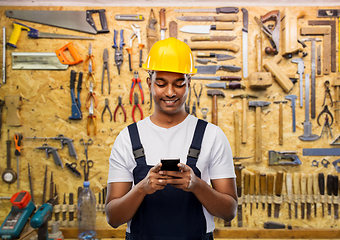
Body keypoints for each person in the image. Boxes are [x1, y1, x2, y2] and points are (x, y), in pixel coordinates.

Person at [105, 37, 237, 240]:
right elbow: (113, 218)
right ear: (149, 83)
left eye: (178, 84)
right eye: (161, 83)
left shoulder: (212, 136)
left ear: (189, 83)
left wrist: (197, 185)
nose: (169, 92)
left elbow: (229, 211)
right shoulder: (128, 139)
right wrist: (142, 188)